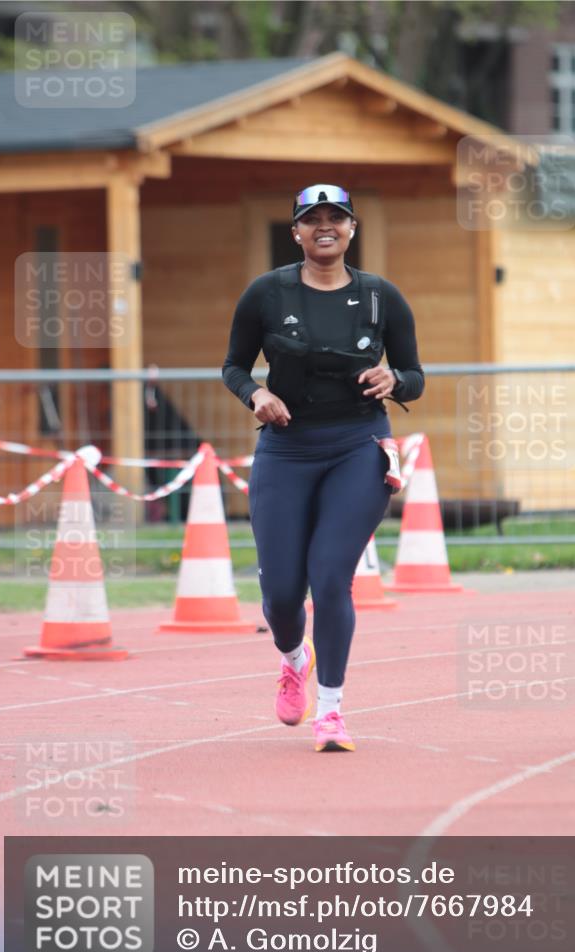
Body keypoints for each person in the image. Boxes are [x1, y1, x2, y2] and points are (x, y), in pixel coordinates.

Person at [222, 184, 424, 752]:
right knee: (283, 594)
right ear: (297, 233)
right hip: (286, 449)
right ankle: (294, 658)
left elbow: (413, 374)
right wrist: (254, 395)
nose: (325, 227)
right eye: (313, 220)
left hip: (358, 444)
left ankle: (331, 711)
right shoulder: (266, 294)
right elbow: (234, 366)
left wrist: (395, 381)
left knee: (332, 577)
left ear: (352, 228)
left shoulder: (382, 297)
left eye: (336, 218)